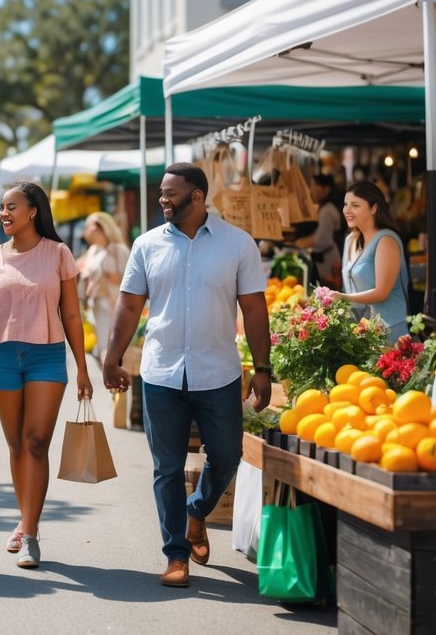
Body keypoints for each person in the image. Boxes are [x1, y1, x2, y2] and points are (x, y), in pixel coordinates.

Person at [101, 162, 272, 589]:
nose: (163, 199)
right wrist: (112, 356)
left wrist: (264, 369)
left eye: (171, 193)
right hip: (161, 373)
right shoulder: (146, 245)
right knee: (167, 468)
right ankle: (176, 554)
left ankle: (196, 512)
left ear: (197, 197)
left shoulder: (238, 244)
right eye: (162, 191)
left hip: (219, 372)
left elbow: (254, 309)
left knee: (227, 456)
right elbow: (128, 305)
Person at [0, 182, 92, 569]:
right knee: (16, 444)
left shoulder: (58, 254)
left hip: (46, 357)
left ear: (33, 210)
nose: (4, 213)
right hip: (2, 356)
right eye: (1, 207)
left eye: (11, 206)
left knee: (36, 443)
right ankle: (24, 518)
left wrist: (82, 367)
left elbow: (70, 314)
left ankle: (31, 533)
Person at [335, 181, 411, 341]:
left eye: (355, 205)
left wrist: (341, 297)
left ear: (374, 208)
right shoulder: (351, 240)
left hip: (390, 332)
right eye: (345, 204)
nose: (347, 210)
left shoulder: (386, 240)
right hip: (362, 334)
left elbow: (382, 292)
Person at [78, 211, 130, 357]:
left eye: (88, 226)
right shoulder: (93, 250)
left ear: (99, 227)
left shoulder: (118, 250)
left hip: (113, 306)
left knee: (110, 351)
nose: (85, 231)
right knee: (101, 349)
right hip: (95, 306)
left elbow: (129, 281)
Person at [295, 174, 342, 289]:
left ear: (326, 189)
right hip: (324, 258)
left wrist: (298, 243)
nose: (312, 191)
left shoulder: (327, 210)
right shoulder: (324, 207)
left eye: (315, 186)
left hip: (327, 261)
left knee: (328, 295)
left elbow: (322, 240)